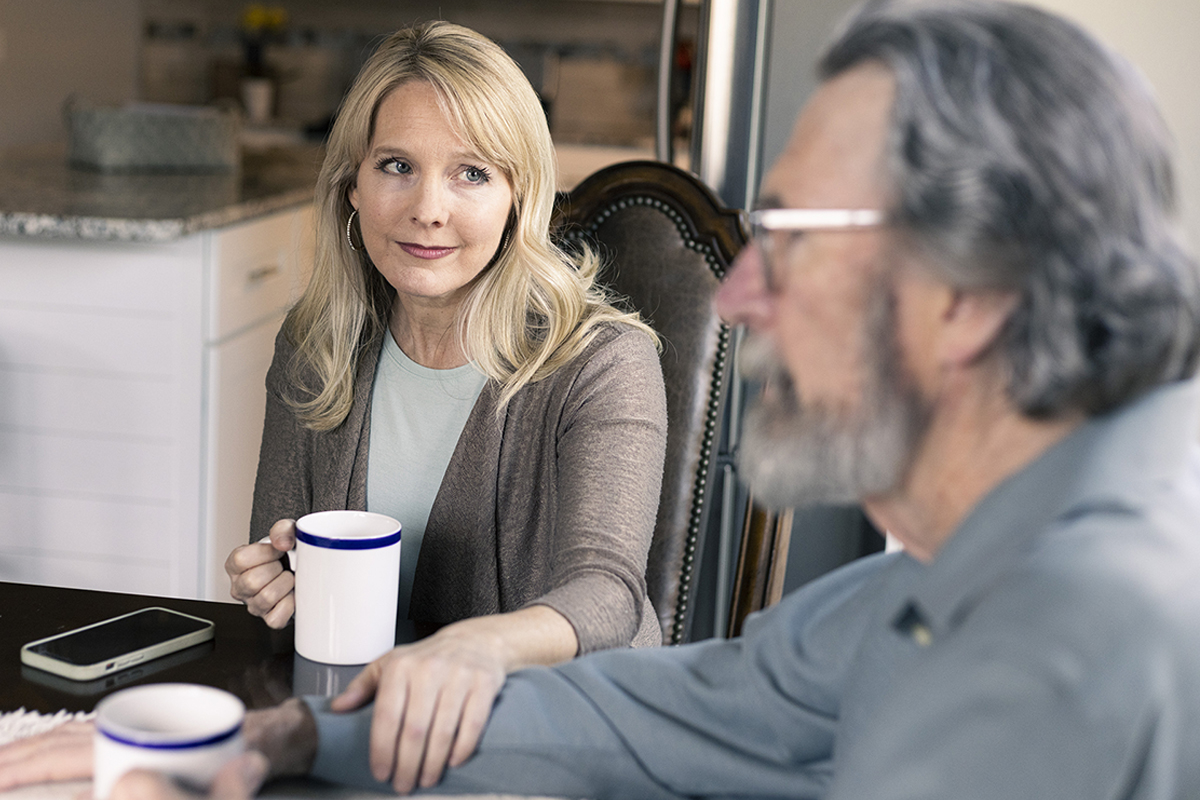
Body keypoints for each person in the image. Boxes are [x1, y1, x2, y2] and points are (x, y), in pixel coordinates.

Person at [3, 0, 1200, 797]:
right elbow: (677, 705)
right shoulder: (930, 583)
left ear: (972, 288)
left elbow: (609, 610)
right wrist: (285, 736)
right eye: (398, 168)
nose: (739, 292)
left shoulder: (1086, 629)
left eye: (791, 234)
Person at [222, 18, 667, 791]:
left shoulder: (604, 363)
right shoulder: (315, 345)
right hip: (373, 736)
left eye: (471, 174)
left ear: (518, 196)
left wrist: (471, 651)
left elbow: (607, 595)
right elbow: (286, 565)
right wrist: (275, 583)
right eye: (397, 165)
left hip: (566, 744)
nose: (429, 209)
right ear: (352, 186)